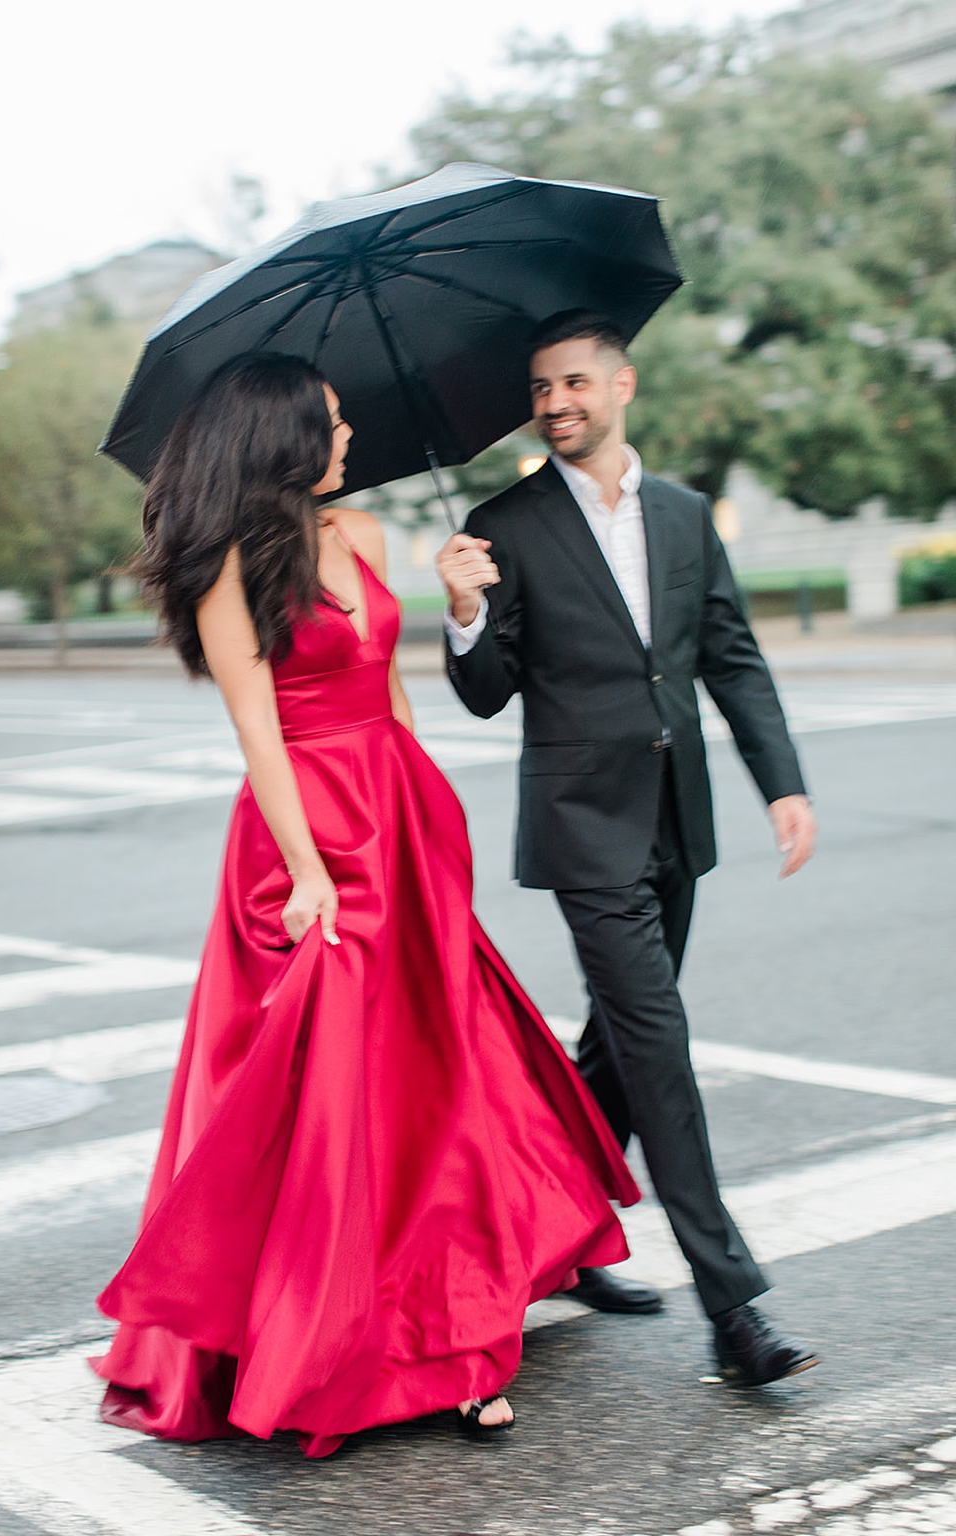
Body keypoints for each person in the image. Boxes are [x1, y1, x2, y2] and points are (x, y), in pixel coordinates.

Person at [92, 352, 640, 1459]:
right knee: (339, 1104)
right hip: (301, 836)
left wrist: (458, 626)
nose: (350, 442)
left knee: (438, 1086)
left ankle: (462, 1333)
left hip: (395, 810)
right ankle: (333, 1339)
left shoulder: (365, 538)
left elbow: (387, 688)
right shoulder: (229, 565)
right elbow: (258, 731)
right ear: (283, 436)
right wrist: (305, 873)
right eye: (334, 426)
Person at [437, 310, 820, 1387]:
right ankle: (733, 1308)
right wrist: (465, 609)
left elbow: (730, 661)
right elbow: (482, 693)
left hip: (673, 817)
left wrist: (779, 783)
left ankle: (547, 1243)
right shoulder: (500, 523)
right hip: (581, 827)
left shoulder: (688, 515)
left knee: (613, 1045)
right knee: (658, 1048)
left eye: (572, 384)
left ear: (621, 386)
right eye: (540, 390)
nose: (554, 403)